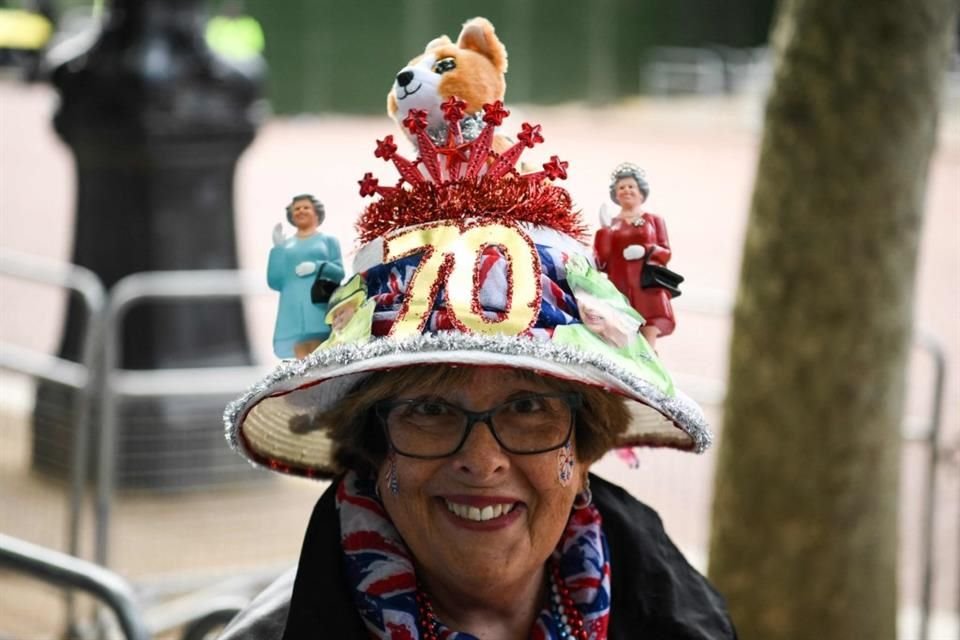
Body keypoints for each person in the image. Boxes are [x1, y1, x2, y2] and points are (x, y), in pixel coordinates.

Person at [222, 104, 735, 638]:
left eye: (528, 406)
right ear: (373, 447)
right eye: (430, 409)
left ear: (584, 448)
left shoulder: (687, 624)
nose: (482, 460)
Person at [594, 163, 682, 350]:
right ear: (615, 194)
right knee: (621, 324)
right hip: (620, 282)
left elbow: (665, 251)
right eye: (621, 187)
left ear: (641, 192)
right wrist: (604, 231)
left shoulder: (653, 220)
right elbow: (602, 261)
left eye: (630, 186)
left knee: (648, 323)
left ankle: (650, 356)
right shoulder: (612, 224)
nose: (626, 190)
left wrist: (646, 250)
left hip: (645, 283)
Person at [267, 194, 344, 359]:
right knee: (301, 357)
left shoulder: (328, 240)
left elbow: (339, 272)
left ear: (316, 213)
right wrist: (278, 249)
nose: (301, 211)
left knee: (321, 351)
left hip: (318, 304)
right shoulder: (286, 246)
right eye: (297, 208)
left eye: (306, 207)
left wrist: (317, 267)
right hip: (292, 307)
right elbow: (275, 281)